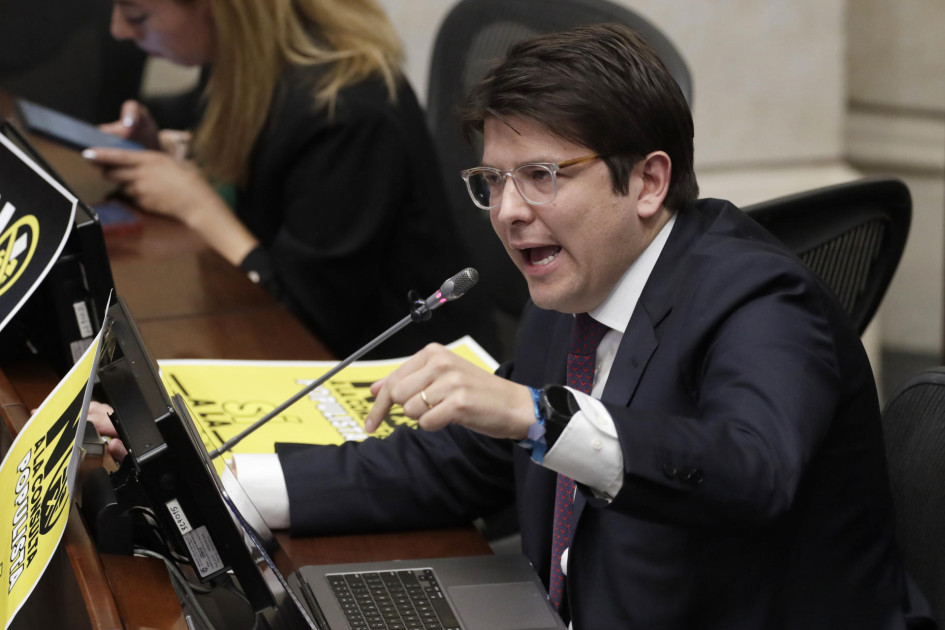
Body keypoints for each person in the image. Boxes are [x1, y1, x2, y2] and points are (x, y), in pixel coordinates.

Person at [236, 23, 922, 629]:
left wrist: (539, 416)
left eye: (540, 175)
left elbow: (750, 471)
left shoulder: (761, 298)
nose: (506, 211)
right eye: (491, 182)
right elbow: (464, 463)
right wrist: (235, 488)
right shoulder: (572, 292)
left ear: (649, 182)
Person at [83, 0, 497, 359]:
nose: (119, 30)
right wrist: (170, 149)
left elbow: (307, 319)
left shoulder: (347, 110)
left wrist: (195, 204)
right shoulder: (241, 66)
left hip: (407, 366)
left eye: (137, 14)